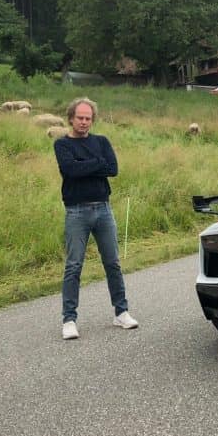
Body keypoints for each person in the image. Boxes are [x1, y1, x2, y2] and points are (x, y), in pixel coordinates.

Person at [54, 97, 138, 339]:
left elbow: (112, 169)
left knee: (112, 262)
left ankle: (121, 312)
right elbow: (70, 170)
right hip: (76, 212)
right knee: (74, 266)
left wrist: (85, 165)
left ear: (93, 119)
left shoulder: (101, 141)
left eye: (88, 118)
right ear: (71, 118)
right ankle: (69, 319)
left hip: (103, 209)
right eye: (79, 117)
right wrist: (96, 163)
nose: (83, 122)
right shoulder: (62, 145)